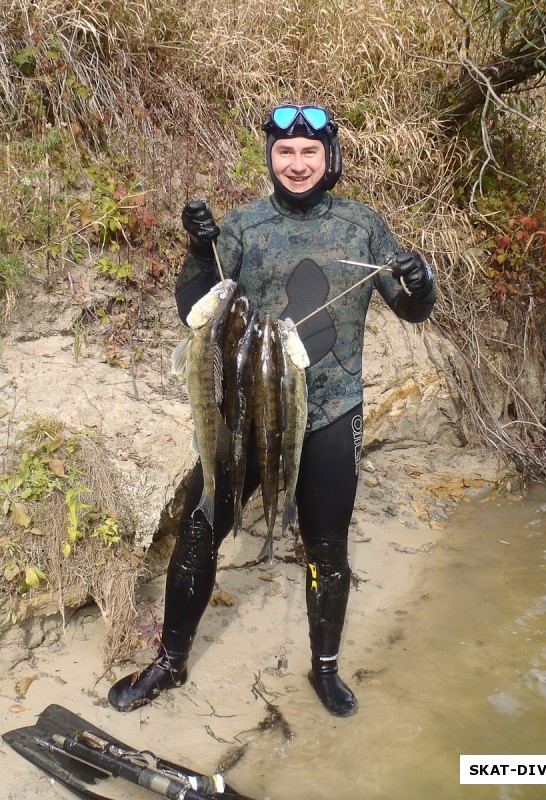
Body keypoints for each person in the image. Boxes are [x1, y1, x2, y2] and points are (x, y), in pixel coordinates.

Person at [108, 104, 437, 718]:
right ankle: (170, 661)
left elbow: (412, 308)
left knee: (328, 546)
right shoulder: (244, 225)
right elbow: (193, 308)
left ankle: (326, 670)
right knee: (202, 526)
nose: (297, 163)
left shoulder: (364, 225)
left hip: (332, 413)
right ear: (271, 159)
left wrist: (422, 283)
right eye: (285, 152)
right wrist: (202, 249)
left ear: (329, 158)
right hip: (247, 415)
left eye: (309, 152)